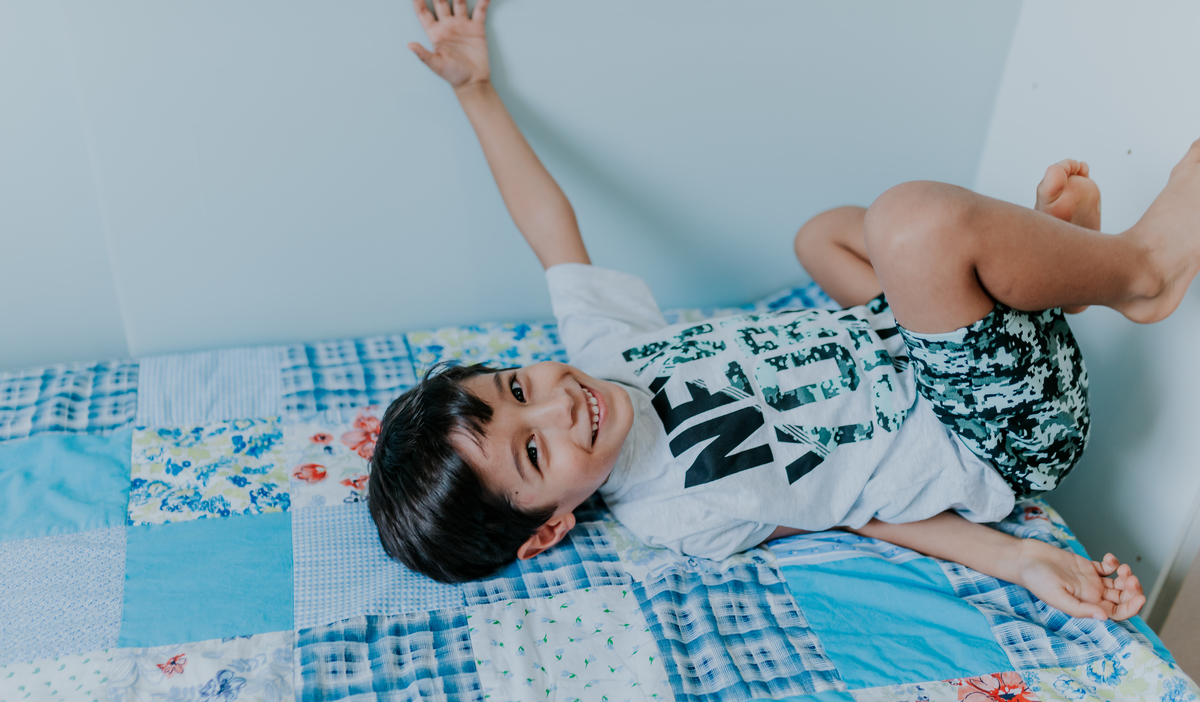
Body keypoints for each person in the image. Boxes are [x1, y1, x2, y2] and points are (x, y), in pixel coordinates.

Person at [370, 0, 1200, 622]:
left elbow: (550, 229)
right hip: (1000, 426)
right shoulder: (679, 512)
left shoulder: (605, 350)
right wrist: (1019, 558)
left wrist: (476, 91)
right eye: (535, 449)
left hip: (930, 346)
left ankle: (1051, 276)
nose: (559, 402)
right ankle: (1140, 275)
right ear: (546, 529)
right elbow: (858, 509)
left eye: (517, 387)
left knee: (823, 239)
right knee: (910, 223)